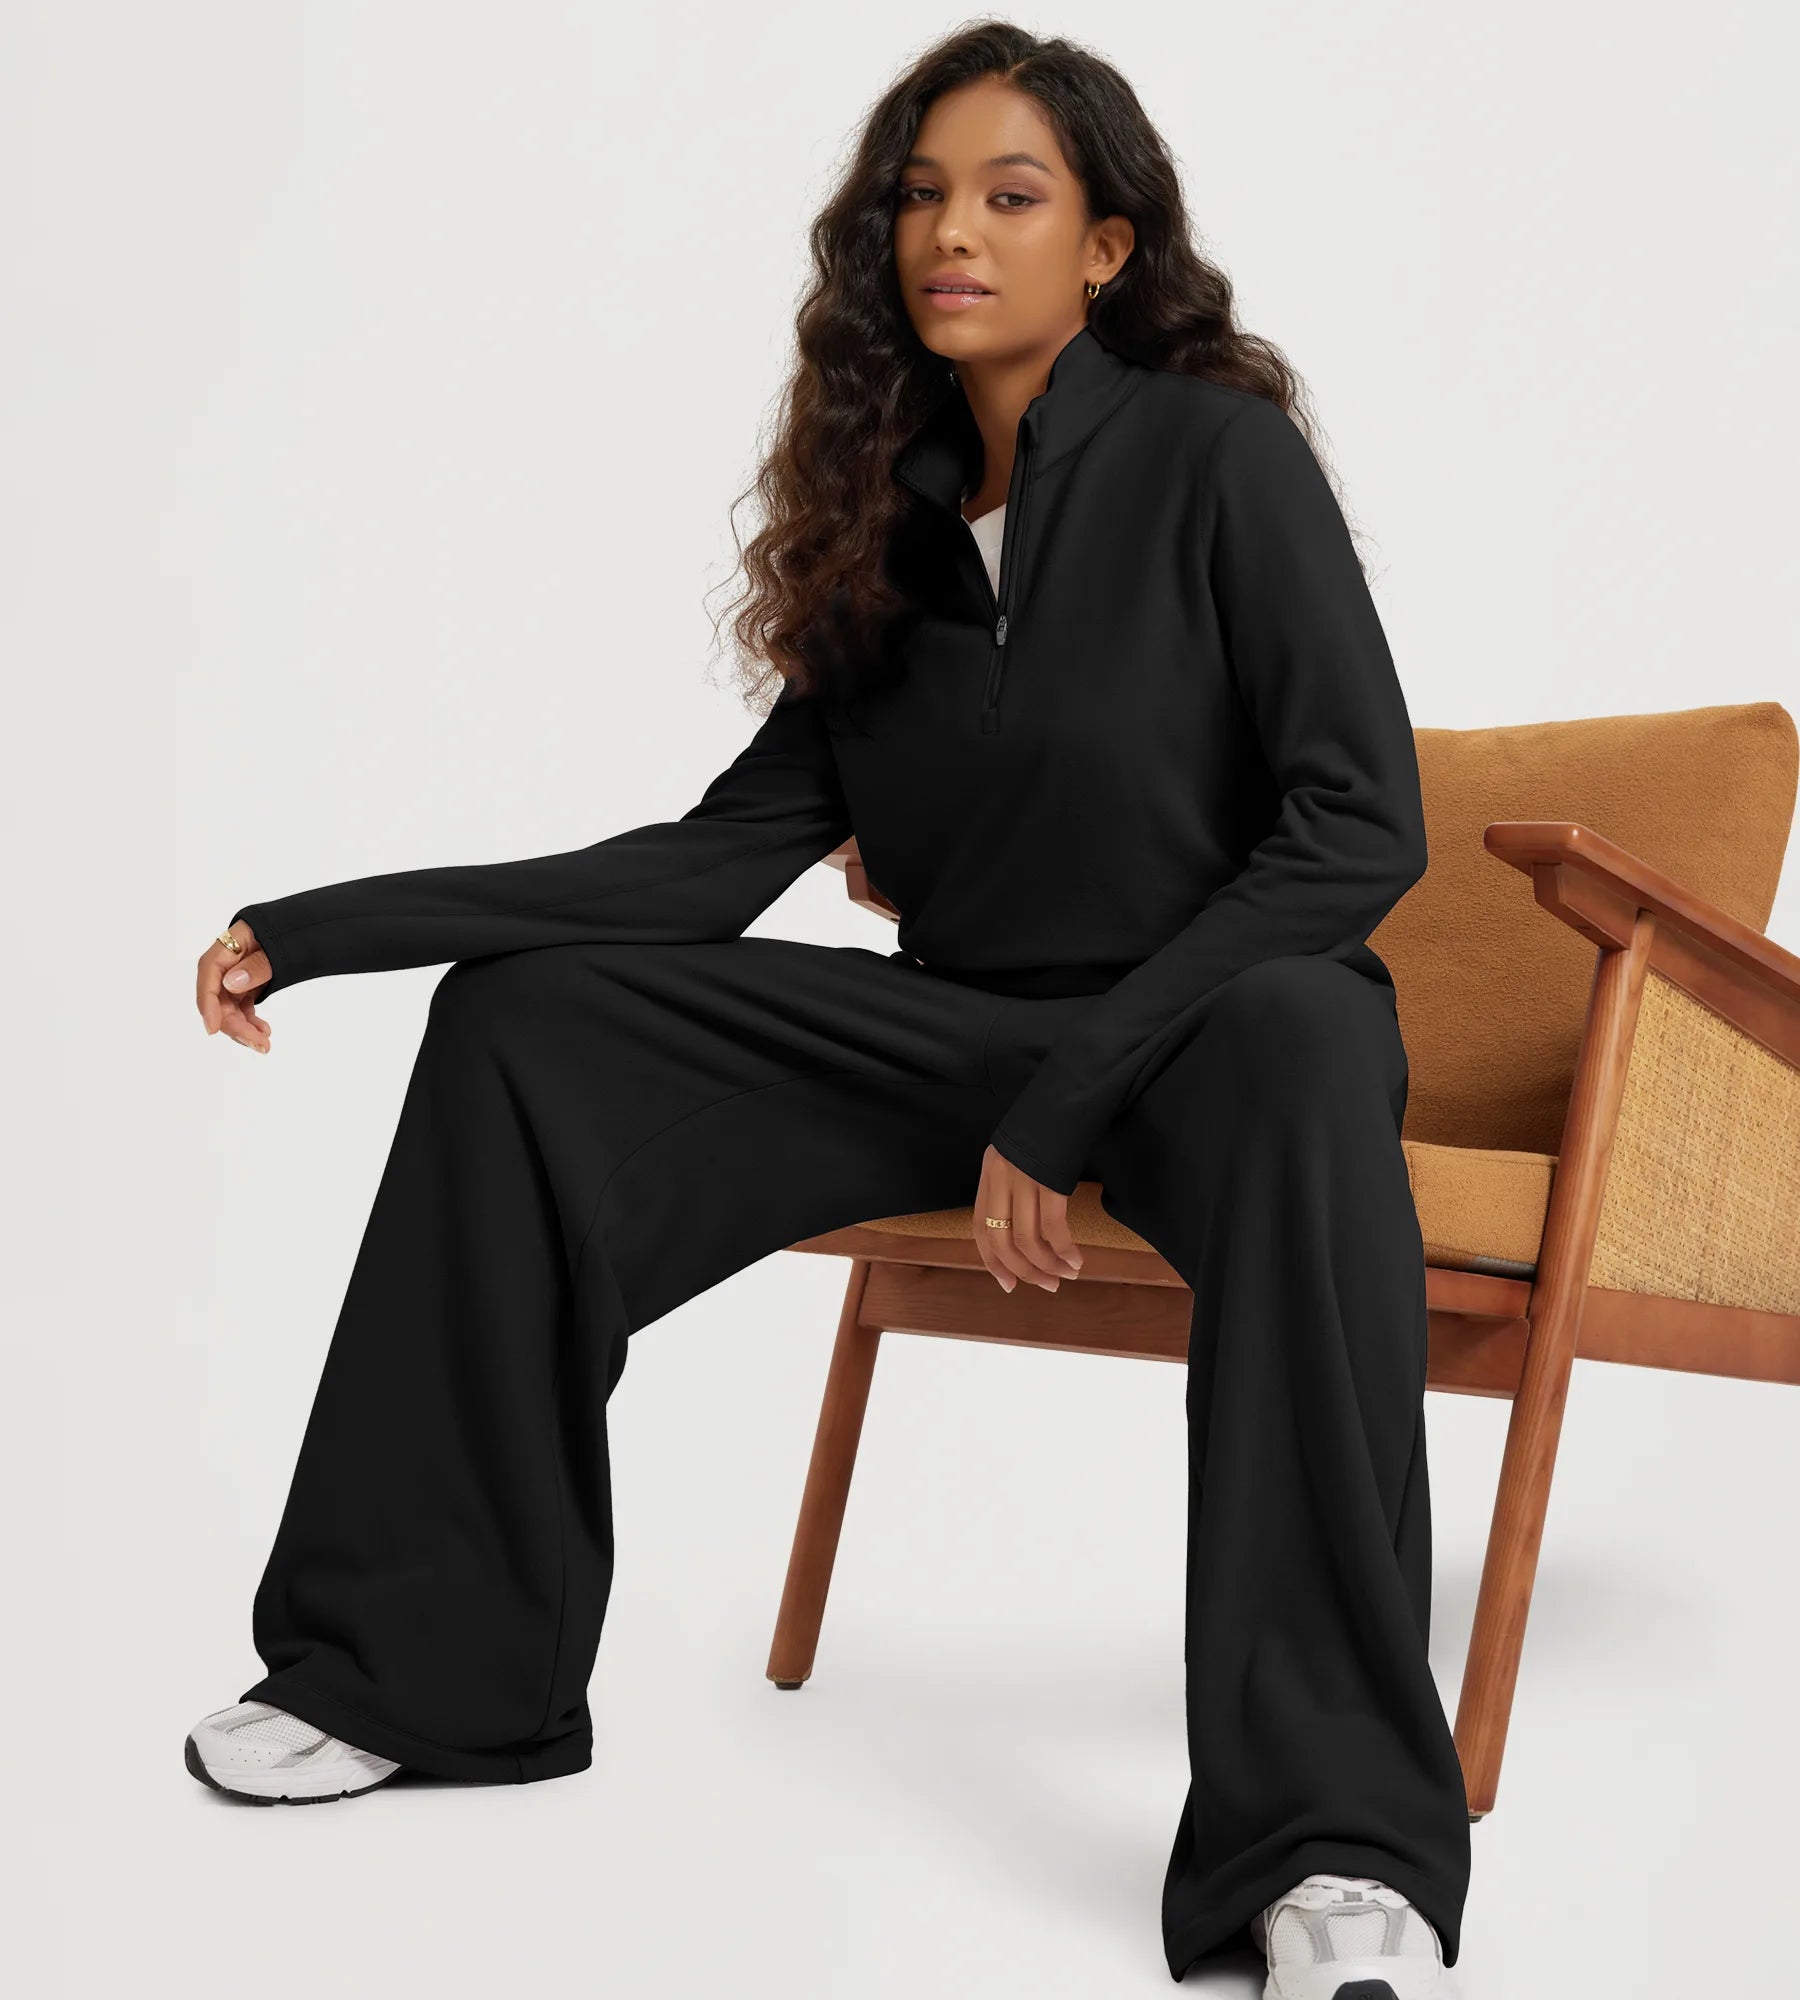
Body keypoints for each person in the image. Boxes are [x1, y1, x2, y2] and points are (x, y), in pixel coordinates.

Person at [188, 24, 1471, 1999]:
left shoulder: (1219, 460)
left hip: (1212, 1040)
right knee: (531, 1027)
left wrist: (1071, 1095)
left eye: (1011, 196)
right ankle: (418, 1671)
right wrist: (331, 927)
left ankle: (1334, 1841)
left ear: (1108, 248)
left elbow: (1358, 825)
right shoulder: (888, 537)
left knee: (1307, 1042)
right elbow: (701, 871)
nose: (953, 231)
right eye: (922, 197)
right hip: (961, 1038)